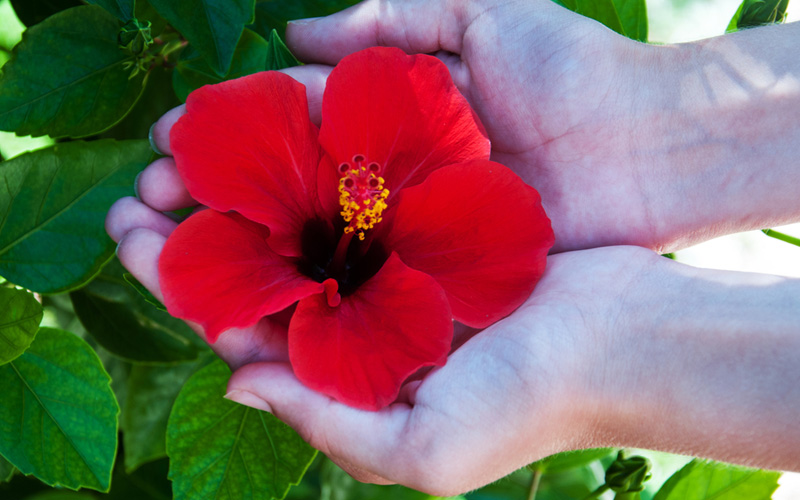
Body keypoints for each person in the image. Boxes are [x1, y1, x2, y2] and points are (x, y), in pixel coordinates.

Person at [105, 0, 800, 495]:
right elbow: (235, 141)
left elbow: (493, 250)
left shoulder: (382, 215)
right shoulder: (352, 198)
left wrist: (605, 364)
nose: (362, 203)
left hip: (373, 297)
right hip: (288, 255)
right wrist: (645, 117)